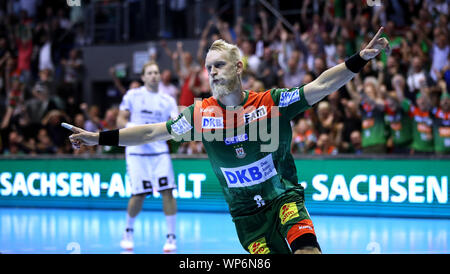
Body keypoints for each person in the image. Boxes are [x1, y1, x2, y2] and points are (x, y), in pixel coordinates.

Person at [64, 28, 390, 254]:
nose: (212, 73)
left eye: (219, 65)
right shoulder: (200, 114)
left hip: (282, 199)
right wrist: (99, 137)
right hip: (247, 219)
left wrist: (359, 58)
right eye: (208, 68)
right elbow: (152, 131)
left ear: (238, 67)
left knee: (306, 248)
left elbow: (320, 86)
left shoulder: (269, 102)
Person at [116, 61, 179, 252]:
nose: (154, 75)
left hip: (159, 151)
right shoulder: (132, 95)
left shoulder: (168, 100)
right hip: (136, 151)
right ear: (143, 77)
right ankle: (128, 232)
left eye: (156, 72)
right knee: (139, 194)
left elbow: (175, 123)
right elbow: (120, 119)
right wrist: (133, 130)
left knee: (167, 190)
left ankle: (171, 237)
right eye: (150, 73)